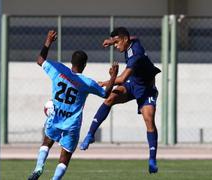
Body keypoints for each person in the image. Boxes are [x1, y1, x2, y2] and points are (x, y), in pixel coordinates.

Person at [28, 30, 118, 180]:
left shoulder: (58, 69)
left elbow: (40, 60)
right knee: (65, 155)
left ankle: (38, 167)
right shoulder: (86, 83)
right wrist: (113, 76)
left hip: (56, 117)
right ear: (84, 65)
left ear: (71, 62)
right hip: (72, 124)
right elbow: (105, 94)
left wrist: (48, 42)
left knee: (47, 141)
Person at [80, 27, 161, 173]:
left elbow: (122, 78)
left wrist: (105, 82)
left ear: (124, 40)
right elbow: (132, 36)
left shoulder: (135, 54)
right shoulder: (132, 41)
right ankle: (90, 135)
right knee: (110, 98)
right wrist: (111, 41)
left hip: (147, 89)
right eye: (115, 43)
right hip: (132, 84)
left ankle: (152, 159)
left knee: (149, 119)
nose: (116, 46)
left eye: (117, 43)